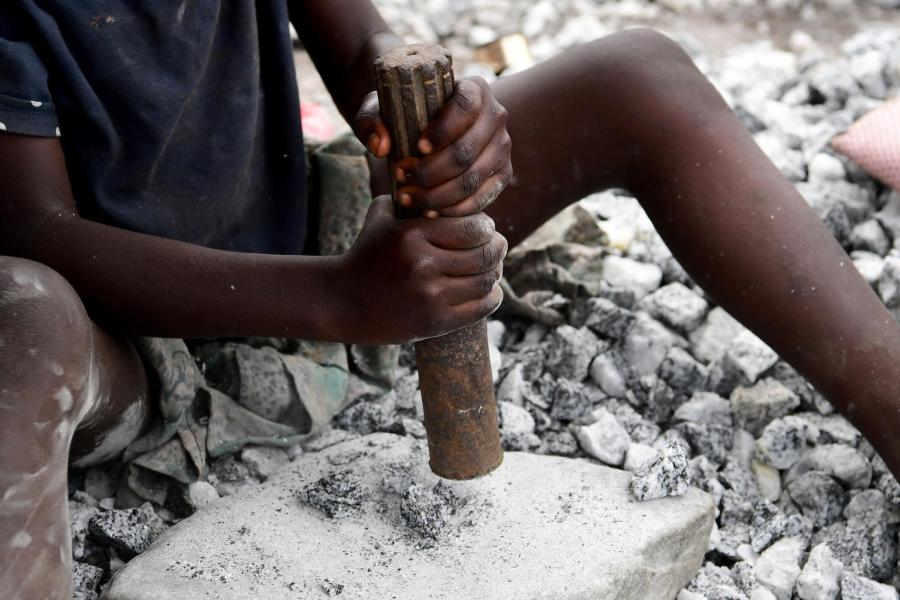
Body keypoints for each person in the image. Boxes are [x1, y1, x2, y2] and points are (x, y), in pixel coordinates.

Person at [2, 1, 899, 597]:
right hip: (130, 348)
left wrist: (432, 123)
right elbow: (36, 230)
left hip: (318, 245)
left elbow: (362, 49)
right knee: (21, 316)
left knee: (640, 77)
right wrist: (337, 304)